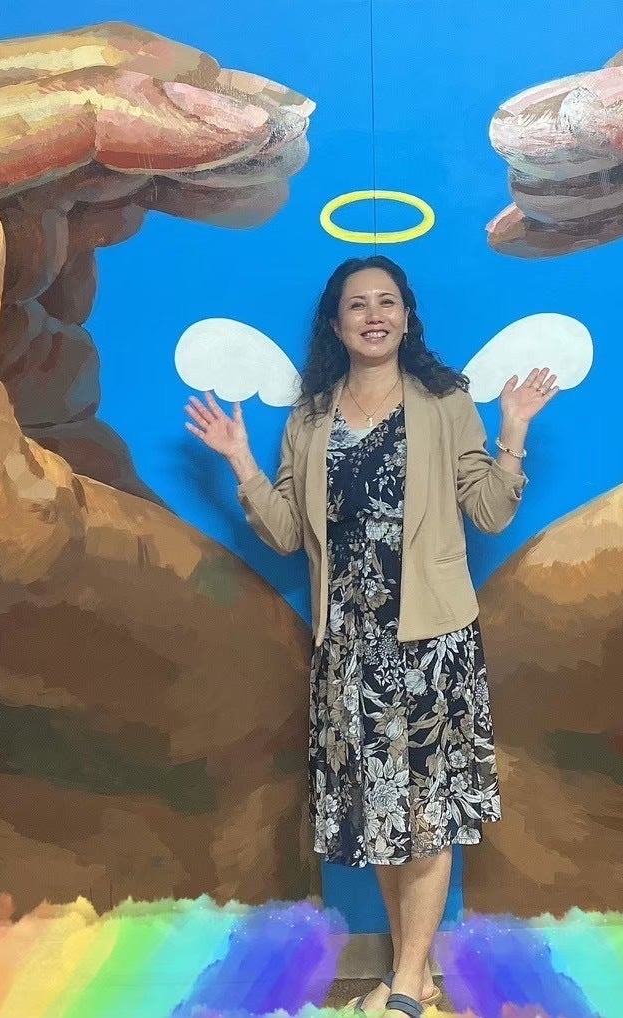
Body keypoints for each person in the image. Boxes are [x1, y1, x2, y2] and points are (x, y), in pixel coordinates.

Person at [185, 255, 558, 1017]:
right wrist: (241, 461)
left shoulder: (445, 402)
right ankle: (414, 975)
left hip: (430, 642)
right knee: (381, 814)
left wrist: (514, 432)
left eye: (387, 302)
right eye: (358, 304)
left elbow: (489, 511)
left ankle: (406, 983)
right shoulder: (311, 417)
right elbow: (287, 533)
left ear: (407, 317)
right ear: (336, 323)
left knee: (425, 812)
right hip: (348, 646)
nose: (374, 314)